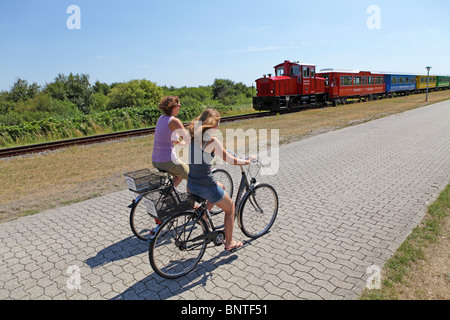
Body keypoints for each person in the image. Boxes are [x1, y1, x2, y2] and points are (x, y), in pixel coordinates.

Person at [187, 109, 255, 251]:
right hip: (205, 185)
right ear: (214, 124)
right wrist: (247, 161)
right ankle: (229, 243)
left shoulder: (193, 137)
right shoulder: (212, 140)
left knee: (222, 186)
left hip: (191, 183)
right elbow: (230, 160)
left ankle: (204, 215)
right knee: (230, 209)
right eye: (218, 123)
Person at [152, 96, 190, 188]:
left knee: (180, 173)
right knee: (193, 177)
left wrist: (180, 143)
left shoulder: (161, 118)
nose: (180, 108)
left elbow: (169, 138)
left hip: (156, 159)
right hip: (168, 161)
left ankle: (169, 194)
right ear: (174, 108)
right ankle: (191, 202)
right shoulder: (174, 121)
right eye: (179, 106)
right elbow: (188, 139)